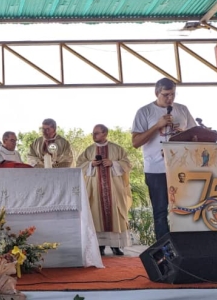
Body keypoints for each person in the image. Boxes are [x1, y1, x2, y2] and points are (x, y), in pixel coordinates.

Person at [132, 77, 196, 241]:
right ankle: (165, 248)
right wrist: (157, 126)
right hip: (156, 169)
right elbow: (135, 142)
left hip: (181, 168)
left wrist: (180, 135)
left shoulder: (182, 110)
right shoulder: (144, 111)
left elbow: (195, 136)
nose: (170, 99)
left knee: (186, 208)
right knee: (160, 210)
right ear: (157, 93)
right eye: (166, 95)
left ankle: (185, 244)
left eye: (173, 94)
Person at [76, 124, 132, 256]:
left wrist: (113, 163)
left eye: (96, 133)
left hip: (114, 189)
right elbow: (79, 165)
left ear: (105, 133)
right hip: (95, 189)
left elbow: (128, 163)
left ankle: (116, 245)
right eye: (93, 133)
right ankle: (99, 244)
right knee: (96, 213)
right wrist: (91, 164)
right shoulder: (89, 150)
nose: (93, 135)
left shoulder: (117, 149)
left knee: (115, 214)